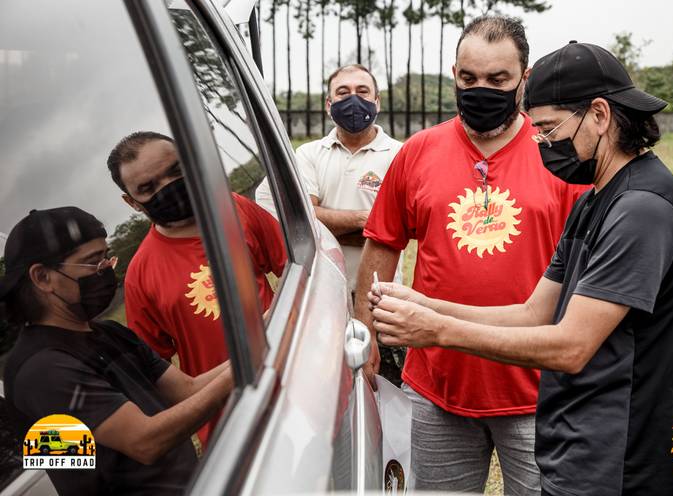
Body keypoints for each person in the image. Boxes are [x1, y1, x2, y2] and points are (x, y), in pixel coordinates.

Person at [368, 42, 673, 496]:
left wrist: (437, 330)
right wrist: (426, 306)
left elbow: (571, 346)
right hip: (575, 442)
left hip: (621, 456)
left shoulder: (642, 208)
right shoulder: (595, 200)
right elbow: (533, 313)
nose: (541, 142)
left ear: (600, 115)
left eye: (547, 128)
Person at [355, 17, 589, 494]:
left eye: (498, 80)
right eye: (469, 79)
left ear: (524, 79)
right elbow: (382, 243)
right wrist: (368, 335)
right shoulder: (419, 151)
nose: (482, 90)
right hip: (437, 384)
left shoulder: (559, 156)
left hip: (535, 390)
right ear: (454, 74)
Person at [0, 207, 233, 496]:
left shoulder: (109, 333)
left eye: (105, 257)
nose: (106, 270)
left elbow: (187, 388)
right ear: (43, 277)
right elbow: (145, 442)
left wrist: (260, 335)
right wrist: (239, 373)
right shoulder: (38, 370)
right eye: (92, 262)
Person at [107, 131, 286, 448]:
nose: (168, 188)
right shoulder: (140, 275)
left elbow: (293, 266)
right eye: (148, 188)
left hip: (293, 380)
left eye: (176, 171)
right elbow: (156, 373)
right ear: (132, 202)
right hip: (231, 425)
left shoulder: (235, 209)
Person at [295, 64, 405, 385]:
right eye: (342, 93)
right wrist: (369, 223)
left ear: (377, 102)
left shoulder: (400, 154)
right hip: (324, 301)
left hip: (383, 302)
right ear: (328, 104)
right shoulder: (309, 154)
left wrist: (330, 222)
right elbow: (304, 217)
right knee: (327, 391)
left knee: (385, 387)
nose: (352, 100)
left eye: (362, 92)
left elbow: (404, 229)